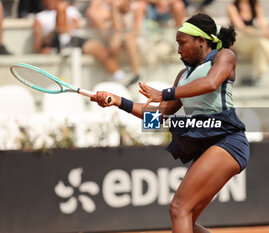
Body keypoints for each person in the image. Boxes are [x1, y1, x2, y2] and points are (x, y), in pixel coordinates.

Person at [91, 13, 250, 233]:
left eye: (182, 43)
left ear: (201, 41)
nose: (178, 50)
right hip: (207, 147)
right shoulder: (182, 76)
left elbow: (212, 82)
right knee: (186, 217)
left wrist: (166, 93)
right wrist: (118, 102)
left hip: (227, 141)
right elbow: (158, 117)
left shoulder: (224, 57)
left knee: (178, 208)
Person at [33, 0, 125, 82]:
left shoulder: (71, 10)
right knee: (61, 7)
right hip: (54, 42)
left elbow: (76, 27)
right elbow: (38, 44)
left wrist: (67, 29)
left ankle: (119, 76)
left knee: (100, 49)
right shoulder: (40, 17)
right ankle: (64, 42)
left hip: (74, 39)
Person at [227, 0, 269, 85]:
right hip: (238, 40)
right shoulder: (232, 7)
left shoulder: (255, 6)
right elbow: (240, 27)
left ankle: (259, 77)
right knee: (262, 41)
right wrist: (261, 33)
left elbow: (262, 24)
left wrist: (267, 32)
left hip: (253, 40)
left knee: (261, 44)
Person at [86, 0, 144, 86]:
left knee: (130, 43)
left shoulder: (136, 9)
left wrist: (124, 37)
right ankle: (116, 74)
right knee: (115, 43)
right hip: (122, 38)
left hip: (135, 38)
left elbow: (136, 31)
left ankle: (136, 74)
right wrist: (115, 11)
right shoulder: (114, 11)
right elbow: (118, 29)